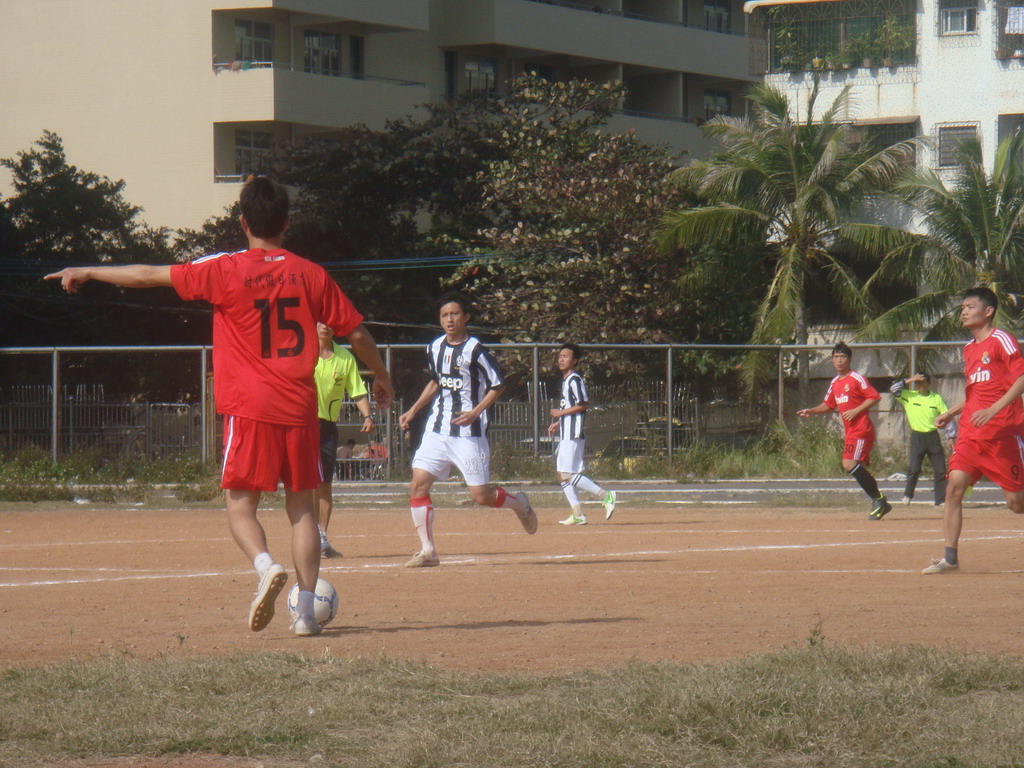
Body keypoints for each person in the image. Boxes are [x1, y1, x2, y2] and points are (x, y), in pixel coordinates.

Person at [45, 176, 394, 636]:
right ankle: (306, 614)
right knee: (303, 510)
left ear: (243, 222)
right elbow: (357, 333)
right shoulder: (311, 274)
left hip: (249, 408)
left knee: (240, 505)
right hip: (299, 408)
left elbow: (148, 275)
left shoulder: (224, 269)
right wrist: (381, 375)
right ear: (287, 223)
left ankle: (266, 566)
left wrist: (89, 271)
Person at [397, 291, 537, 567]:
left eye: (455, 314)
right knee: (417, 485)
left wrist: (476, 411)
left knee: (481, 496)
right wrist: (413, 410)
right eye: (444, 315)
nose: (449, 319)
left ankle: (519, 502)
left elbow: (498, 385)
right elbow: (436, 381)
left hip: (469, 435)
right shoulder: (434, 347)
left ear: (466, 317)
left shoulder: (476, 350)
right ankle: (428, 551)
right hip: (437, 430)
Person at [924, 287, 1024, 574]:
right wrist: (950, 413)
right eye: (962, 307)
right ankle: (950, 559)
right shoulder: (969, 349)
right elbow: (975, 393)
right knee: (954, 488)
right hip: (970, 434)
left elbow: (1021, 378)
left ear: (988, 311)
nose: (964, 311)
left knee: (1016, 504)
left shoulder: (1001, 340)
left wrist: (994, 410)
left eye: (970, 306)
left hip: (1002, 435)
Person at [797, 342, 892, 520]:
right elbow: (828, 404)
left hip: (862, 429)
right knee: (853, 466)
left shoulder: (856, 378)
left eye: (843, 357)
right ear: (832, 360)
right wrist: (812, 411)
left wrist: (856, 410)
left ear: (849, 359)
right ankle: (879, 501)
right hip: (850, 432)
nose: (839, 360)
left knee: (849, 464)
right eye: (836, 357)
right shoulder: (835, 383)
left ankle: (879, 500)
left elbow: (874, 396)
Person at [314, 322, 374, 559]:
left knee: (324, 484)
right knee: (307, 483)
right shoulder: (302, 353)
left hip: (327, 427)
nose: (325, 326)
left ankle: (321, 536)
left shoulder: (344, 357)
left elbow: (357, 390)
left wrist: (368, 415)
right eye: (320, 321)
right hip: (302, 425)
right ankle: (307, 535)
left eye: (330, 322)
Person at [546, 343, 616, 525]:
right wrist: (559, 422)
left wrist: (560, 413)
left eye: (566, 356)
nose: (561, 359)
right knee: (562, 475)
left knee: (567, 474)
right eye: (560, 356)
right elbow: (572, 408)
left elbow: (584, 404)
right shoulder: (566, 381)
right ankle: (578, 514)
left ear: (575, 360)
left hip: (573, 434)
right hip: (567, 432)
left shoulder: (574, 380)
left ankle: (606, 495)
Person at [889, 372, 949, 506]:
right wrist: (910, 380)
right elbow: (893, 389)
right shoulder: (910, 396)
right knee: (914, 469)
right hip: (917, 437)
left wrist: (950, 435)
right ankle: (908, 495)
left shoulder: (936, 398)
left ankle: (940, 500)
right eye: (917, 383)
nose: (920, 386)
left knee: (940, 470)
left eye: (922, 382)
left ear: (928, 383)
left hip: (932, 436)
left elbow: (946, 415)